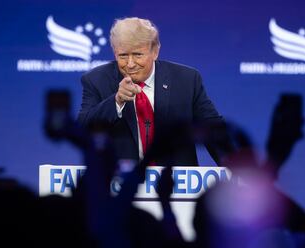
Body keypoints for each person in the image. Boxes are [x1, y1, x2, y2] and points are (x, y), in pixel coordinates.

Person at [77, 17, 228, 166]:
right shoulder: (96, 80)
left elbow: (213, 131)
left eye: (137, 55)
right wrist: (117, 101)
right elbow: (81, 131)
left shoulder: (186, 80)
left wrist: (237, 169)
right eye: (123, 56)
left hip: (175, 184)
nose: (130, 64)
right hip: (122, 185)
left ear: (155, 51)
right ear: (115, 53)